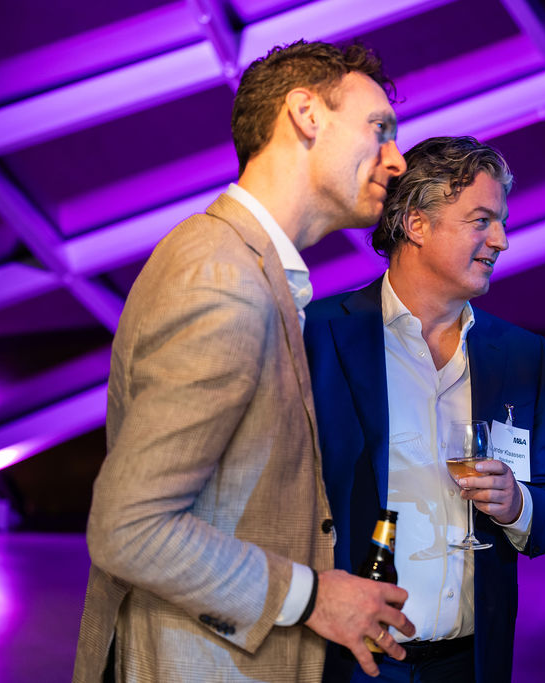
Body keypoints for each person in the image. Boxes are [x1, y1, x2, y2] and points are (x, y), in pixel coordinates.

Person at [73, 40, 418, 682]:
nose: (397, 159)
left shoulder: (235, 264)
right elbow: (129, 528)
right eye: (380, 129)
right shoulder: (223, 279)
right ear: (306, 114)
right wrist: (313, 597)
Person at [304, 135, 545, 682]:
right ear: (416, 224)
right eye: (482, 221)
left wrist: (517, 505)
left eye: (501, 222)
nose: (501, 240)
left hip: (468, 665)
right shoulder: (317, 335)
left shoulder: (520, 355)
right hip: (346, 661)